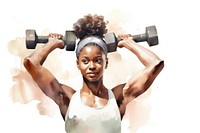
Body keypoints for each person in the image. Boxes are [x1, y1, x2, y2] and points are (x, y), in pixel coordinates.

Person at [23, 14, 164, 133]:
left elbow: (155, 64)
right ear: (77, 64)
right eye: (85, 61)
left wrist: (129, 43)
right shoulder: (67, 98)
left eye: (97, 60)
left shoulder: (119, 97)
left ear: (106, 63)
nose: (92, 66)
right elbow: (31, 63)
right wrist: (52, 43)